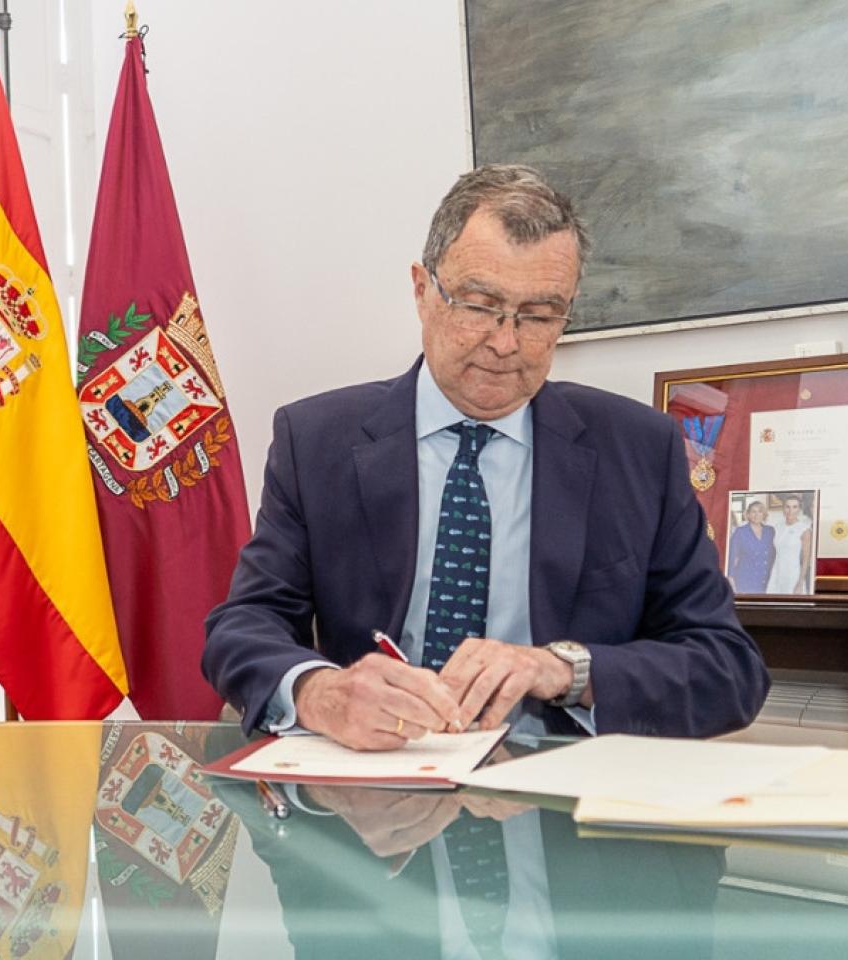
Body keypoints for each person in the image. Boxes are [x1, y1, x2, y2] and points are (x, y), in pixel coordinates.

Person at [202, 164, 768, 747]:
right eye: (478, 305)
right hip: (374, 794)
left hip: (558, 804)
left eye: (541, 315)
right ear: (423, 291)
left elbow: (727, 668)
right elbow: (242, 628)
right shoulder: (317, 440)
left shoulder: (638, 449)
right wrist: (320, 692)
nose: (505, 342)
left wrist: (566, 670)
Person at [766, 493, 814, 595]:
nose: (790, 511)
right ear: (783, 509)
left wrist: (800, 583)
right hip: (777, 572)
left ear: (799, 510)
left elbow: (806, 560)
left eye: (794, 507)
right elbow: (773, 553)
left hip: (793, 574)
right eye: (787, 507)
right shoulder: (777, 527)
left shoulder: (804, 529)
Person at [726, 498, 775, 594]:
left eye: (760, 511)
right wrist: (731, 581)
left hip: (766, 580)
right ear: (748, 514)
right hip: (745, 580)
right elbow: (732, 558)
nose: (756, 515)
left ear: (764, 514)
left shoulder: (770, 531)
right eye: (753, 512)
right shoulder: (740, 532)